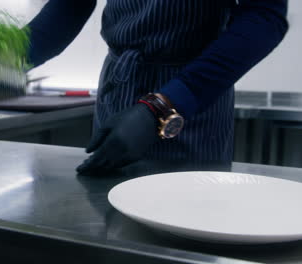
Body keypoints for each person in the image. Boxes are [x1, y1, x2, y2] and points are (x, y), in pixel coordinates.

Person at [28, 0, 288, 174]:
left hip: (191, 94)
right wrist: (7, 58)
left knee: (186, 225)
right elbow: (69, 5)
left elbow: (264, 17)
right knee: (110, 217)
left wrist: (162, 107)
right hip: (118, 91)